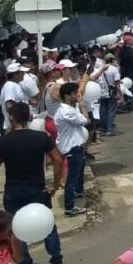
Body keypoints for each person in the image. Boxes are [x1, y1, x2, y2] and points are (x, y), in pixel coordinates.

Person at [0, 102, 65, 264]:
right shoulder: (41, 137)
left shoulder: (3, 140)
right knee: (47, 224)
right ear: (30, 118)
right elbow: (58, 159)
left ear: (11, 118)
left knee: (17, 229)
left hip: (13, 191)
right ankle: (56, 262)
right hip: (37, 189)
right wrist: (56, 184)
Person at [54, 81, 89, 217]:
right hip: (71, 147)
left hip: (76, 145)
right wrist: (81, 105)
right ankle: (69, 206)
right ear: (68, 96)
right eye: (75, 94)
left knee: (80, 169)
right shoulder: (67, 111)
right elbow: (86, 120)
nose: (78, 95)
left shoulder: (68, 108)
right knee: (72, 179)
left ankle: (79, 191)